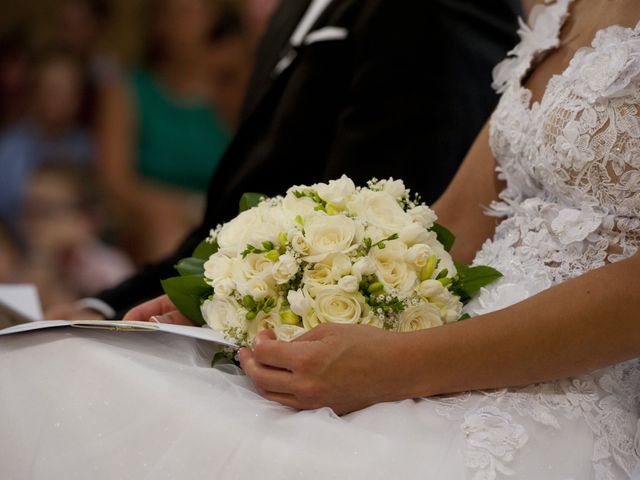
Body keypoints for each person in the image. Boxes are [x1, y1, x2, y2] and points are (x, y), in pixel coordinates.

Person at [2, 1, 639, 478]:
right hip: (437, 340)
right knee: (71, 368)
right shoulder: (557, 6)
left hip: (565, 383)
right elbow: (456, 221)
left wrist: (399, 368)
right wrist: (248, 291)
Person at [48, 0, 522, 320]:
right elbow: (234, 221)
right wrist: (105, 308)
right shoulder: (294, 14)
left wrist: (233, 310)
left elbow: (392, 217)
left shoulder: (429, 10)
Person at [97, 0, 232, 264]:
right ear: (158, 23)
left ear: (212, 19)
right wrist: (179, 207)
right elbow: (116, 180)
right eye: (172, 14)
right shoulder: (128, 88)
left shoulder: (230, 90)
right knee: (166, 230)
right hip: (150, 218)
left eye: (190, 14)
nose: (182, 26)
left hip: (220, 218)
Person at [0, 53, 94, 238]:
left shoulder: (87, 148)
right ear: (35, 92)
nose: (53, 96)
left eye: (62, 90)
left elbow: (92, 211)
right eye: (48, 88)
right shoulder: (9, 148)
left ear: (77, 99)